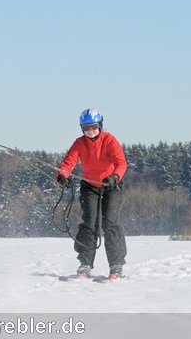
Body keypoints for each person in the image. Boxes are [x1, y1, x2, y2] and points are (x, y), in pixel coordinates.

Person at [55, 108, 128, 280]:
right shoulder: (80, 143)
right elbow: (69, 161)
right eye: (86, 128)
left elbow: (121, 162)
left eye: (93, 127)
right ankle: (85, 263)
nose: (90, 131)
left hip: (111, 185)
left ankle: (116, 264)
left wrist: (114, 177)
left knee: (110, 222)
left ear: (100, 125)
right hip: (90, 187)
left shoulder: (109, 140)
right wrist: (62, 175)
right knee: (89, 223)